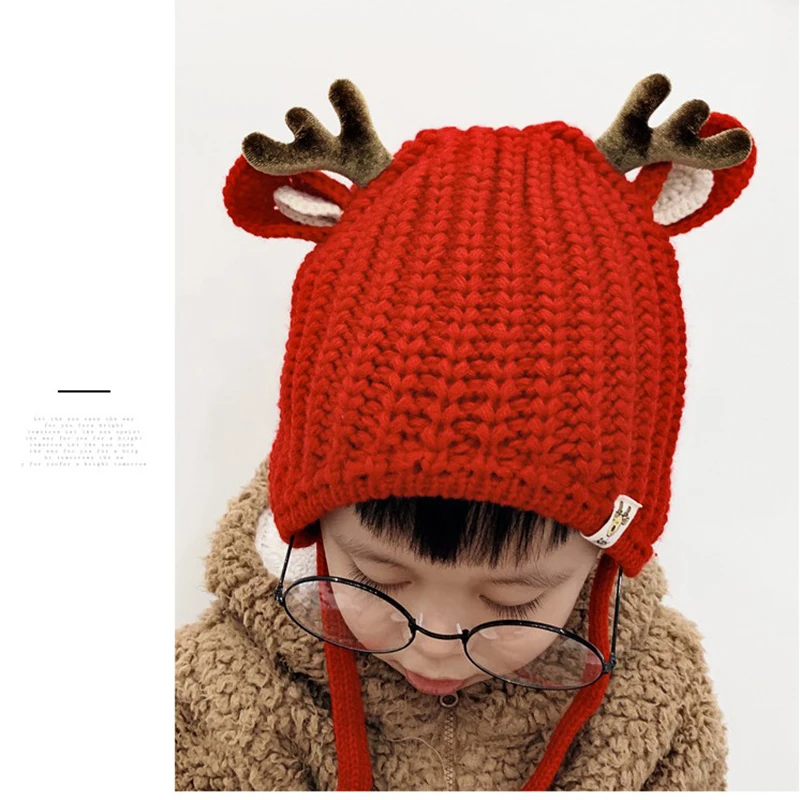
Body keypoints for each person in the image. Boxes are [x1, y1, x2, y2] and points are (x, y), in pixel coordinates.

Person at [176, 73, 757, 791]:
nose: (436, 641)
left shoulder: (656, 702)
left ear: (607, 547)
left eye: (513, 601)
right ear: (311, 519)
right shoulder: (217, 692)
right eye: (377, 577)